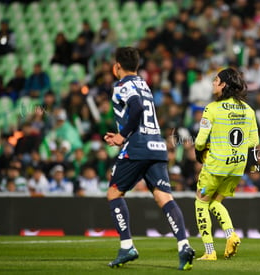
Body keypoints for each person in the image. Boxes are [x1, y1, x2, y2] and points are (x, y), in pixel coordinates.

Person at [103, 47, 194, 270]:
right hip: (157, 145)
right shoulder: (143, 83)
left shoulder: (123, 86)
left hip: (138, 146)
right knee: (164, 197)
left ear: (117, 67)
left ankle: (126, 246)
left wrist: (121, 136)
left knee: (114, 192)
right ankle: (183, 245)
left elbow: (136, 107)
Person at [193, 68, 259, 260]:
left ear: (224, 85)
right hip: (237, 166)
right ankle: (231, 236)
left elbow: (199, 141)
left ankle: (209, 252)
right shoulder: (249, 110)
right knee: (215, 203)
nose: (213, 83)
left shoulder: (212, 108)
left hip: (215, 166)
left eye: (216, 80)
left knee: (201, 203)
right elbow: (253, 142)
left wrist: (200, 152)